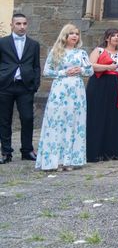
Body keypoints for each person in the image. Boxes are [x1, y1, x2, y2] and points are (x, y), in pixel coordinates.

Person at [36, 24, 93, 171]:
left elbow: (90, 70)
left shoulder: (81, 53)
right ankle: (55, 160)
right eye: (71, 33)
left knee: (74, 123)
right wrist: (64, 72)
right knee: (57, 122)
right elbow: (47, 71)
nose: (75, 36)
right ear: (65, 36)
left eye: (77, 33)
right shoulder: (56, 51)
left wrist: (81, 69)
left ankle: (70, 160)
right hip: (60, 91)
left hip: (77, 92)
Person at [86, 28, 118, 162]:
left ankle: (114, 150)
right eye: (113, 36)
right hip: (100, 84)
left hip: (116, 85)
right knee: (98, 116)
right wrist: (107, 68)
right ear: (107, 38)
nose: (116, 38)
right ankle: (96, 150)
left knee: (115, 117)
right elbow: (90, 66)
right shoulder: (99, 50)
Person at [0, 13, 41, 164]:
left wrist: (35, 85)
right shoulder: (2, 42)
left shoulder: (33, 44)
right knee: (4, 119)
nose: (22, 27)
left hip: (25, 86)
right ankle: (6, 152)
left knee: (27, 118)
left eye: (24, 24)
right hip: (5, 85)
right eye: (18, 24)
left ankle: (27, 150)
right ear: (12, 25)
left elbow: (36, 66)